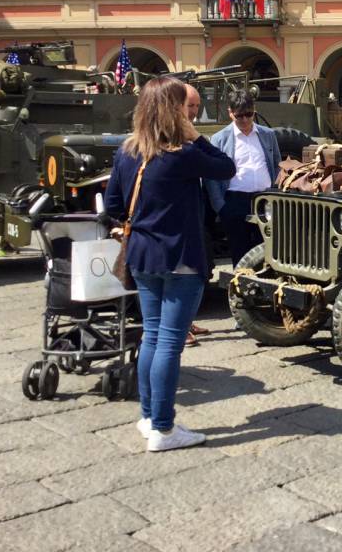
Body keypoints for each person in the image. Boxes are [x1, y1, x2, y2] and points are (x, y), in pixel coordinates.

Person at [105, 76, 234, 452]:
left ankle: (148, 417)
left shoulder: (127, 151)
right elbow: (225, 167)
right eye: (183, 106)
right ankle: (164, 429)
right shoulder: (183, 154)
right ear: (172, 111)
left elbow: (113, 205)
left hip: (142, 256)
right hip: (180, 257)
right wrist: (196, 136)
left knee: (152, 335)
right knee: (170, 344)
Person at [205, 91, 281, 267]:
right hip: (234, 201)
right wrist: (220, 206)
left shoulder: (268, 135)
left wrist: (276, 191)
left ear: (254, 110)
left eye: (249, 114)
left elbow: (277, 163)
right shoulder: (219, 139)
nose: (245, 120)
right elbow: (211, 176)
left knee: (267, 250)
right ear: (231, 113)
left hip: (265, 200)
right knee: (240, 252)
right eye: (240, 116)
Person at [182, 84, 211, 348]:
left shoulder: (190, 135)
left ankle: (187, 322)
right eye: (190, 106)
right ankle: (180, 329)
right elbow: (224, 165)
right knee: (183, 277)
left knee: (199, 272)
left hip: (196, 213)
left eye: (196, 105)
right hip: (176, 224)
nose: (194, 111)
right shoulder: (180, 142)